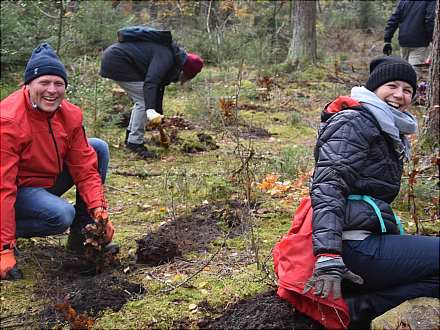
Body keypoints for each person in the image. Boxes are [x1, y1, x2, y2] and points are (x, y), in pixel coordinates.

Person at [304, 56, 439, 327]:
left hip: (366, 239)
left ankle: (361, 306)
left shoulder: (386, 127)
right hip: (350, 245)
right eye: (392, 85)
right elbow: (328, 186)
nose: (400, 95)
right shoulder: (355, 121)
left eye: (408, 90)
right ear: (374, 88)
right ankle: (358, 312)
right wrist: (328, 255)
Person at [0, 43, 116, 280]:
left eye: (58, 83)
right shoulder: (9, 120)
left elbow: (85, 168)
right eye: (44, 83)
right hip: (14, 188)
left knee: (97, 148)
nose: (52, 90)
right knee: (60, 214)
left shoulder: (69, 115)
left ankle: (84, 234)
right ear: (28, 85)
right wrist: (4, 247)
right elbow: (4, 186)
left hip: (43, 179)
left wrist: (99, 210)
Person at [100, 31, 204, 159]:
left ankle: (131, 137)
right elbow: (151, 82)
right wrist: (150, 109)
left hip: (118, 60)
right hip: (117, 61)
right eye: (187, 76)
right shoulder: (166, 57)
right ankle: (134, 144)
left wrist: (159, 114)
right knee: (143, 101)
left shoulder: (173, 59)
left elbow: (159, 87)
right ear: (185, 70)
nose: (183, 79)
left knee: (142, 100)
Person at [383, 0, 436, 71]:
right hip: (419, 43)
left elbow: (393, 20)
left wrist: (387, 40)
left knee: (404, 71)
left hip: (404, 40)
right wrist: (433, 39)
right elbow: (430, 20)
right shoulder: (430, 1)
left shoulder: (403, 1)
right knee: (413, 73)